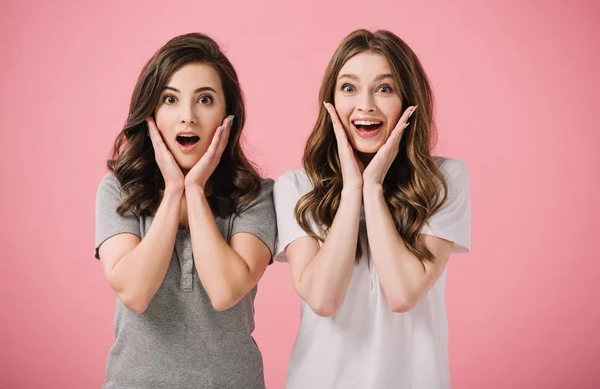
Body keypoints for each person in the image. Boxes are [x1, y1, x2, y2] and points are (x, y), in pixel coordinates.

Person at [274, 29, 471, 389]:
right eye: (349, 88)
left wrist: (374, 188)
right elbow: (322, 299)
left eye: (384, 88)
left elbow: (403, 294)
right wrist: (352, 189)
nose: (365, 105)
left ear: (408, 100)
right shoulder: (296, 187)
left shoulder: (444, 179)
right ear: (330, 101)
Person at [94, 33, 276, 389]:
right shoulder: (117, 190)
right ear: (152, 113)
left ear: (228, 115)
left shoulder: (256, 195)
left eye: (205, 100)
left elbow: (226, 291)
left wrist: (193, 189)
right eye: (170, 100)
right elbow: (134, 292)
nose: (187, 117)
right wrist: (174, 187)